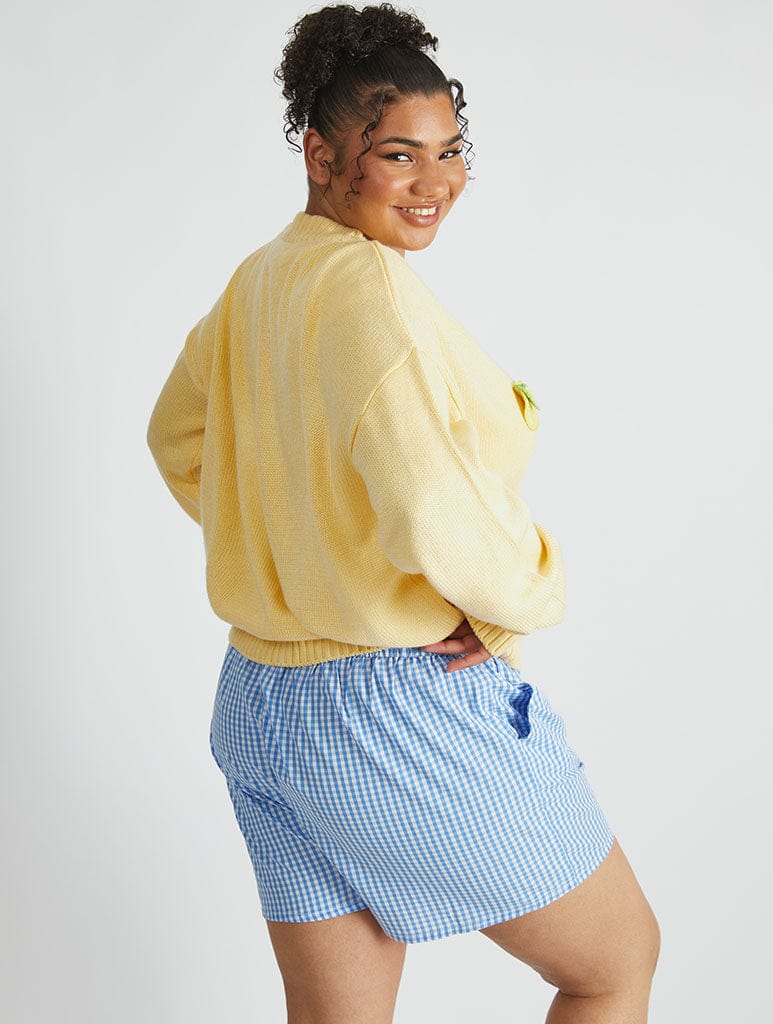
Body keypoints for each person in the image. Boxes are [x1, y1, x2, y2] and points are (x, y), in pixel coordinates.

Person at [146, 3, 660, 1021]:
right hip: (387, 704)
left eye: (450, 151)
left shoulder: (261, 279)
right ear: (320, 155)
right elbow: (430, 500)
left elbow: (176, 436)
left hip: (261, 706)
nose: (437, 183)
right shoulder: (369, 293)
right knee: (613, 964)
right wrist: (518, 602)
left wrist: (295, 544)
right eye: (398, 155)